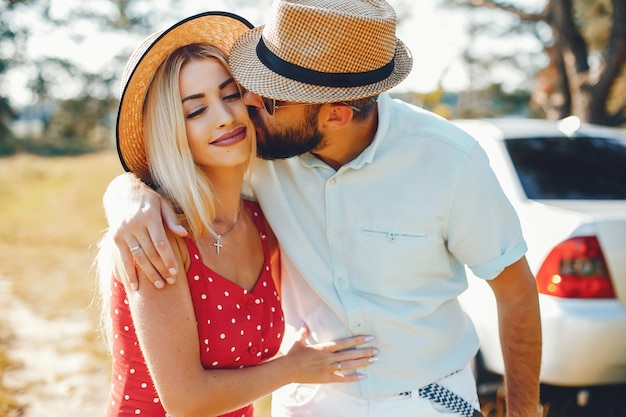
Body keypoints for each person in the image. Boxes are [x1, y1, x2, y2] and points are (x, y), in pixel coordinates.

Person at [104, 1, 542, 417]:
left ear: (334, 116)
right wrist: (126, 193)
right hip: (310, 400)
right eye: (253, 82)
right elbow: (178, 158)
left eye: (272, 98)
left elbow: (516, 292)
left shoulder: (449, 160)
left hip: (429, 398)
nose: (250, 103)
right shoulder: (261, 145)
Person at [96, 11, 379, 417]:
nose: (225, 117)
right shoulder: (160, 234)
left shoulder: (265, 222)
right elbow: (187, 402)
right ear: (171, 131)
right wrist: (294, 368)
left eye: (230, 95)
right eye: (196, 111)